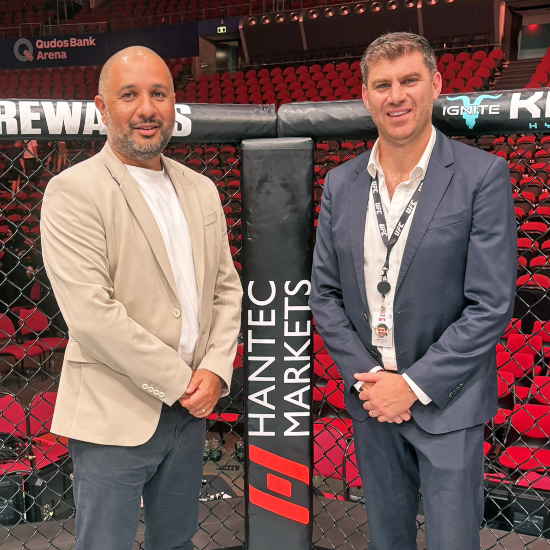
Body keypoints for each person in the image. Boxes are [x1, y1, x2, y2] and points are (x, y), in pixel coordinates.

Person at [309, 32, 516, 550]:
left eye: (409, 81)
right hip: (372, 401)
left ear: (436, 85)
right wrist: (372, 384)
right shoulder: (340, 183)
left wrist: (413, 385)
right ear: (365, 95)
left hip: (447, 404)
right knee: (386, 540)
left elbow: (490, 304)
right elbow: (325, 296)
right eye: (382, 85)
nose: (396, 96)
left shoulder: (482, 175)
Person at [40, 46, 242, 550]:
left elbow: (226, 290)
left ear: (174, 103)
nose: (147, 109)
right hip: (115, 411)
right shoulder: (73, 191)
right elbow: (92, 316)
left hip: (190, 411)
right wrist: (182, 381)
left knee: (176, 542)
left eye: (159, 94)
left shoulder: (202, 189)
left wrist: (215, 369)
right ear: (102, 108)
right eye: (129, 95)